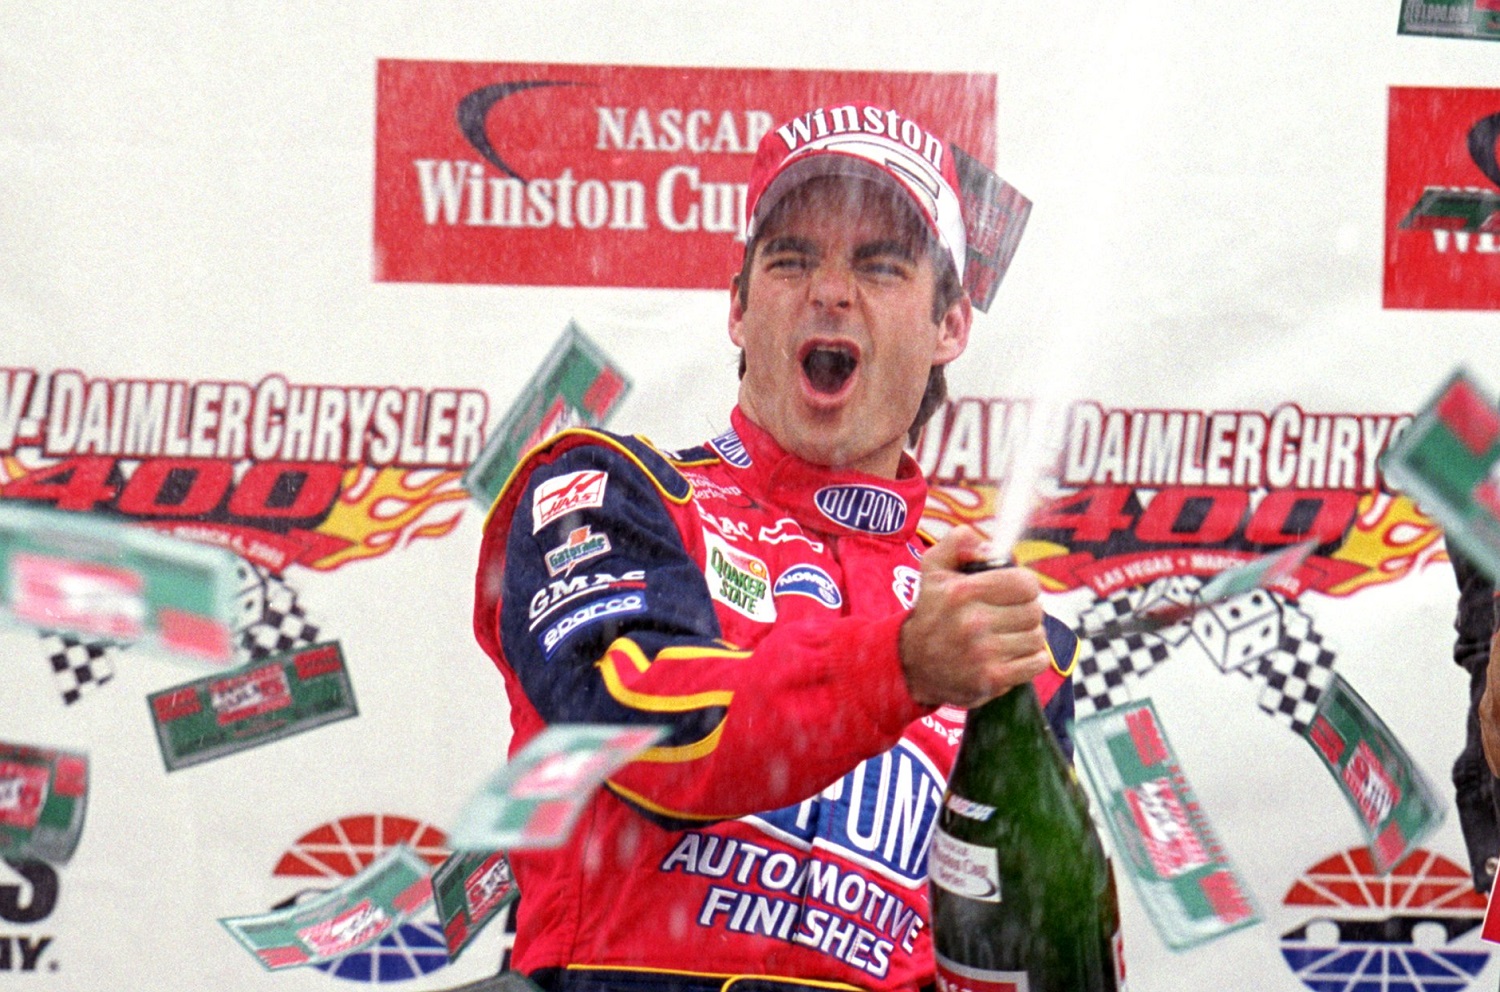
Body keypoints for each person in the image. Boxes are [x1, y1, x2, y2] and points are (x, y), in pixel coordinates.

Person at [473, 103, 1077, 992]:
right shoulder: (608, 491)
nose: (830, 292)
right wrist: (903, 664)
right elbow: (635, 733)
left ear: (950, 326)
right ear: (739, 309)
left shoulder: (1001, 640)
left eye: (880, 265)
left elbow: (1027, 951)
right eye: (792, 260)